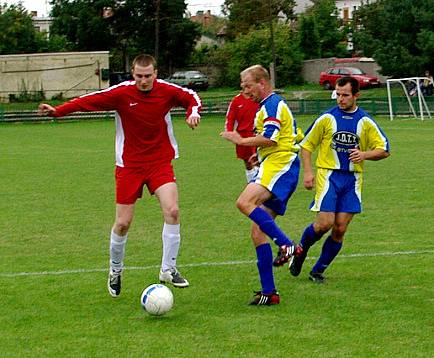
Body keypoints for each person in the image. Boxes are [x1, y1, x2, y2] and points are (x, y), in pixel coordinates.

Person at [38, 54, 201, 297]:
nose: (143, 81)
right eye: (139, 76)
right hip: (129, 165)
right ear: (132, 74)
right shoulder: (122, 93)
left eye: (148, 76)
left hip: (159, 162)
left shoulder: (166, 91)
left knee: (173, 211)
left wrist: (193, 112)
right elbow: (88, 101)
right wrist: (58, 111)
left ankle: (168, 268)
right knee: (123, 223)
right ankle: (115, 270)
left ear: (155, 74)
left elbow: (191, 97)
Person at [288, 76, 390, 283]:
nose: (340, 99)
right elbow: (306, 146)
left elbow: (384, 149)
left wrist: (364, 155)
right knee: (325, 223)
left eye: (345, 95)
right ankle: (301, 250)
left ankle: (317, 271)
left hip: (352, 179)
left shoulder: (366, 122)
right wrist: (308, 173)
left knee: (340, 228)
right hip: (329, 175)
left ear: (356, 96)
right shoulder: (327, 118)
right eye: (338, 94)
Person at [220, 65, 302, 306]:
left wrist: (241, 140)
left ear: (262, 83)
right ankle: (270, 292)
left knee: (244, 202)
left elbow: (272, 137)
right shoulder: (267, 106)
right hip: (275, 164)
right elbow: (282, 137)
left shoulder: (272, 104)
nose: (245, 91)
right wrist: (259, 154)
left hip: (281, 167)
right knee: (258, 231)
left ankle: (287, 245)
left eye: (248, 85)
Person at [225, 86, 260, 182]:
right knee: (247, 161)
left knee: (258, 159)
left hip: (256, 134)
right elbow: (230, 118)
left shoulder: (258, 98)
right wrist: (229, 132)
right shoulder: (236, 100)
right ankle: (250, 182)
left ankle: (260, 182)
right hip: (242, 135)